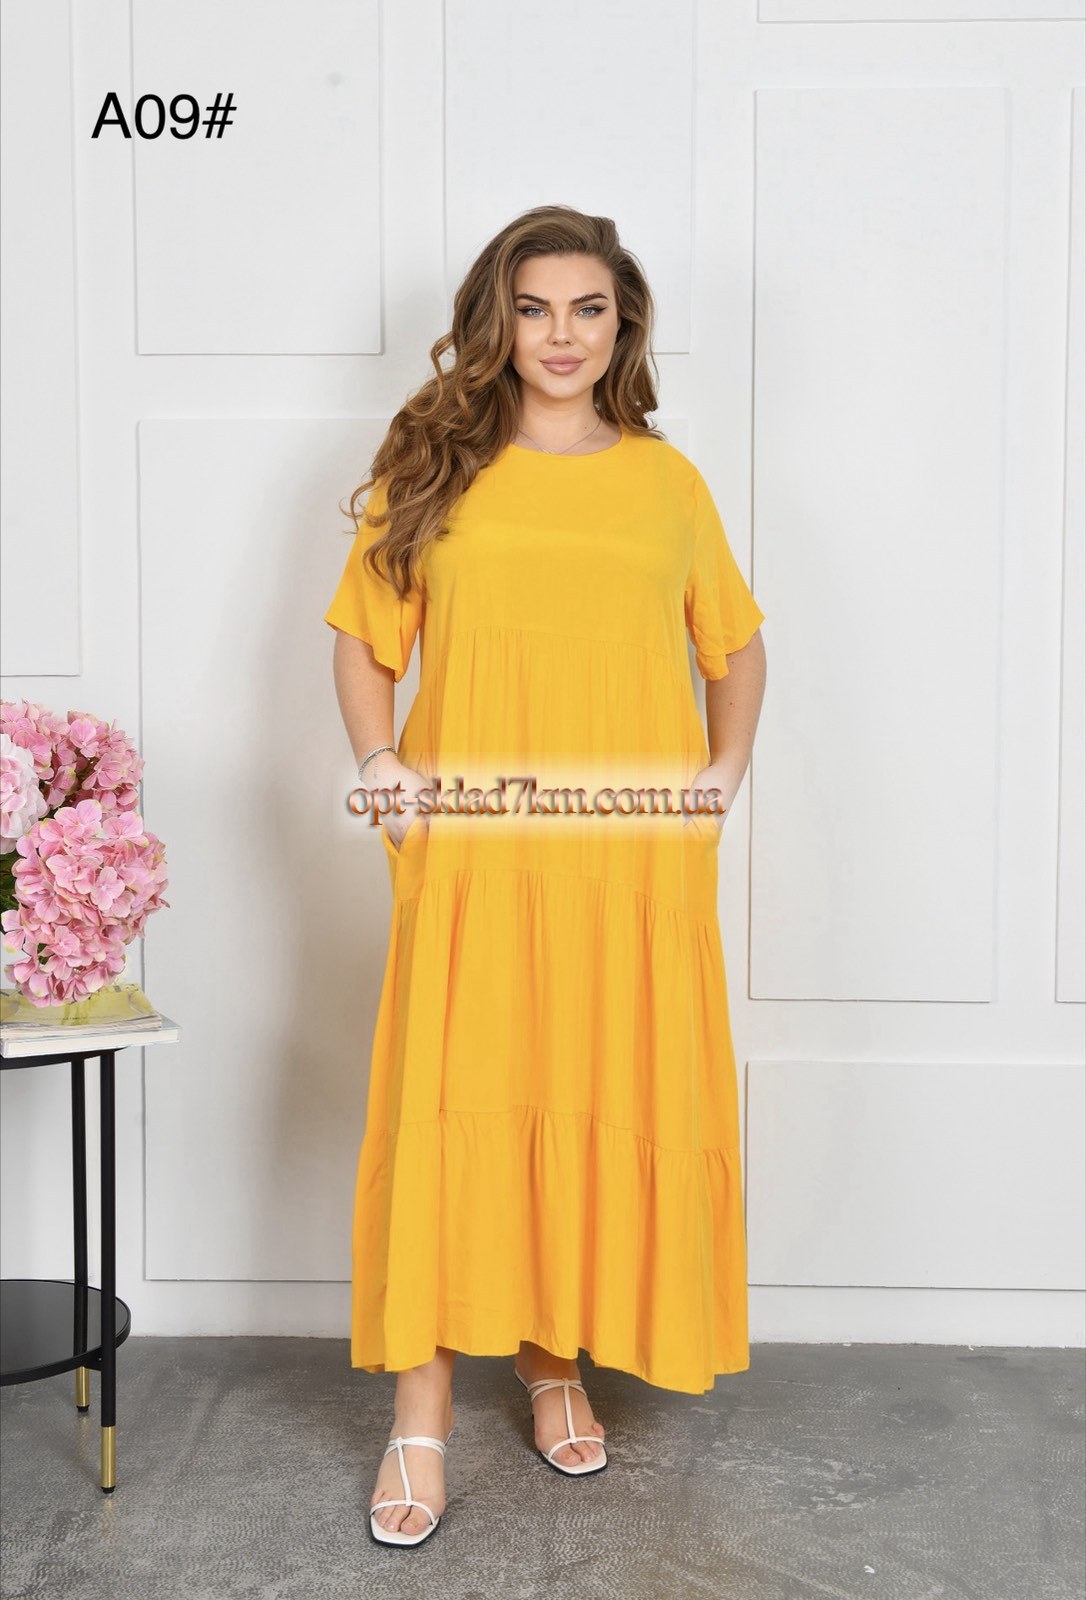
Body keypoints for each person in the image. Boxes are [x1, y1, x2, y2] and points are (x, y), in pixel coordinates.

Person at [324, 204, 767, 1547]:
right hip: (472, 852)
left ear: (622, 325)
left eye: (588, 309)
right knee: (455, 1100)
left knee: (585, 1086)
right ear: (496, 322)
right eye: (533, 309)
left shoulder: (667, 484)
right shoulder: (432, 462)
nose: (561, 335)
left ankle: (553, 1355)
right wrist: (381, 762)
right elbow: (365, 634)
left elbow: (734, 643)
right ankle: (419, 1415)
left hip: (627, 858)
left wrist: (719, 776)